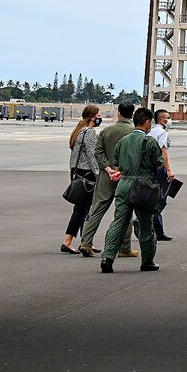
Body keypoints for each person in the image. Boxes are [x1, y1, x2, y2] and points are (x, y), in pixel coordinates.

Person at [100, 112, 164, 273]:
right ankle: (147, 260)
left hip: (124, 184)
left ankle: (107, 257)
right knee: (145, 224)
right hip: (142, 185)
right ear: (148, 122)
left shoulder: (123, 141)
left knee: (119, 221)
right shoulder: (149, 141)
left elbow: (117, 164)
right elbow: (158, 163)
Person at [76, 101, 139, 258]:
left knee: (97, 208)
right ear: (132, 114)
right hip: (126, 176)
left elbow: (98, 152)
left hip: (106, 175)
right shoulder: (134, 132)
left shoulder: (106, 131)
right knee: (124, 212)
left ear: (118, 113)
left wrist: (108, 168)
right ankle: (124, 247)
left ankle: (86, 242)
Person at [62, 105, 102, 253]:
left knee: (83, 208)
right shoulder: (89, 132)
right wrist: (98, 174)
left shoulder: (79, 131)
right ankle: (69, 241)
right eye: (98, 115)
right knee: (83, 209)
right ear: (92, 117)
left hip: (77, 171)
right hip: (87, 173)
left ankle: (86, 241)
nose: (99, 118)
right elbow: (92, 155)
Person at [146, 109, 174, 241]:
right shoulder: (162, 133)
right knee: (161, 199)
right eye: (168, 118)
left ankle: (157, 230)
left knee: (152, 197)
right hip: (159, 168)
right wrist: (169, 170)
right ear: (162, 120)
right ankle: (151, 223)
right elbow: (164, 152)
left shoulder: (150, 132)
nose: (169, 120)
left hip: (149, 168)